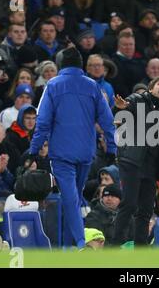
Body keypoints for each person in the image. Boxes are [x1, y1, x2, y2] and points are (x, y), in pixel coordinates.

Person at [29, 47, 116, 250]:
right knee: (74, 199)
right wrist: (112, 148)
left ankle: (79, 242)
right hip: (86, 153)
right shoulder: (92, 86)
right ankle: (71, 245)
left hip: (61, 154)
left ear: (61, 64)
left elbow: (42, 121)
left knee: (70, 199)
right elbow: (108, 120)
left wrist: (34, 149)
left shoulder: (52, 85)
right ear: (81, 64)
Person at [112, 76, 159, 246]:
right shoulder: (138, 100)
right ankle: (115, 246)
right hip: (132, 160)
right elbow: (124, 108)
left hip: (151, 167)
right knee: (129, 204)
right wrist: (121, 108)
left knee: (146, 211)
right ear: (150, 88)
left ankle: (141, 249)